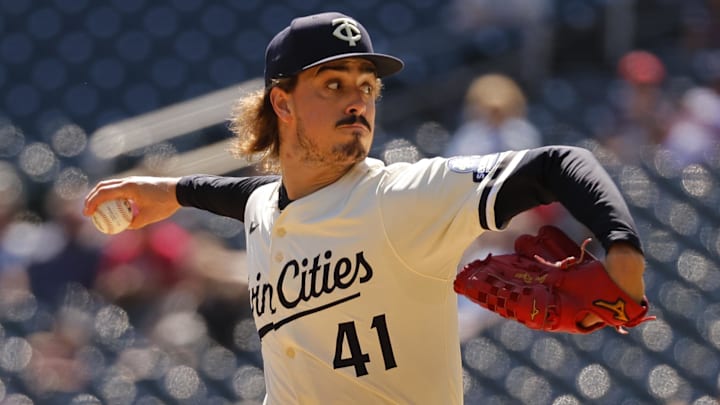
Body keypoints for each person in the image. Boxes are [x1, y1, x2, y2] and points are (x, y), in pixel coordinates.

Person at [84, 12, 647, 404]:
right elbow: (248, 198)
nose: (357, 100)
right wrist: (172, 191)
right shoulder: (263, 207)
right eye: (332, 84)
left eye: (367, 86)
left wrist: (623, 251)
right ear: (282, 102)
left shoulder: (402, 196)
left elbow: (558, 163)